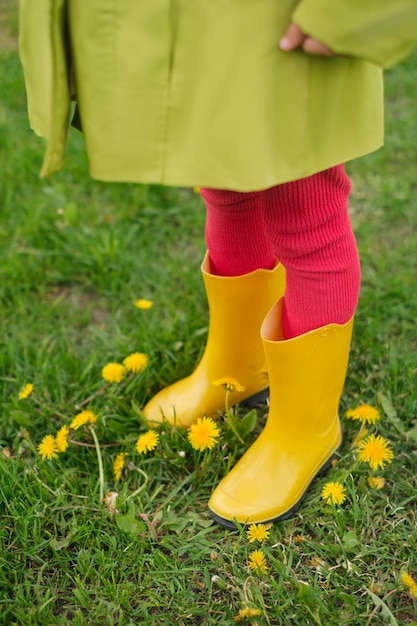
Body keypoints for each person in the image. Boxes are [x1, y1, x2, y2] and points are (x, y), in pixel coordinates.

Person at [19, 1, 417, 528]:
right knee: (226, 174)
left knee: (305, 206)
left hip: (284, 16)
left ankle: (306, 427)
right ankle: (238, 370)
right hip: (210, 21)